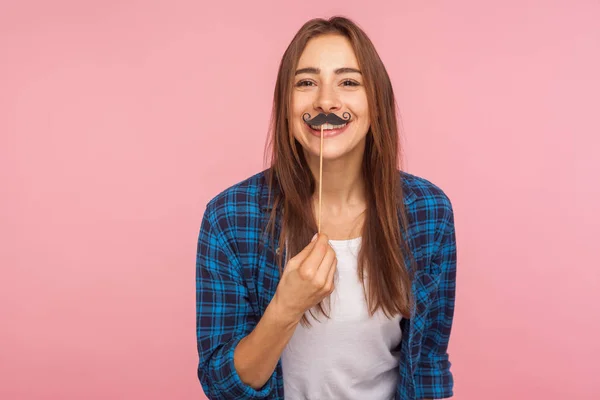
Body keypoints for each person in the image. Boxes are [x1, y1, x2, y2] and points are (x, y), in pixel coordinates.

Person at [196, 16, 457, 400]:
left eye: (348, 82)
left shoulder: (428, 212)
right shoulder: (229, 218)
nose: (325, 101)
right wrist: (285, 308)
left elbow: (429, 365)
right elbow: (222, 385)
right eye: (306, 82)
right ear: (286, 110)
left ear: (377, 105)